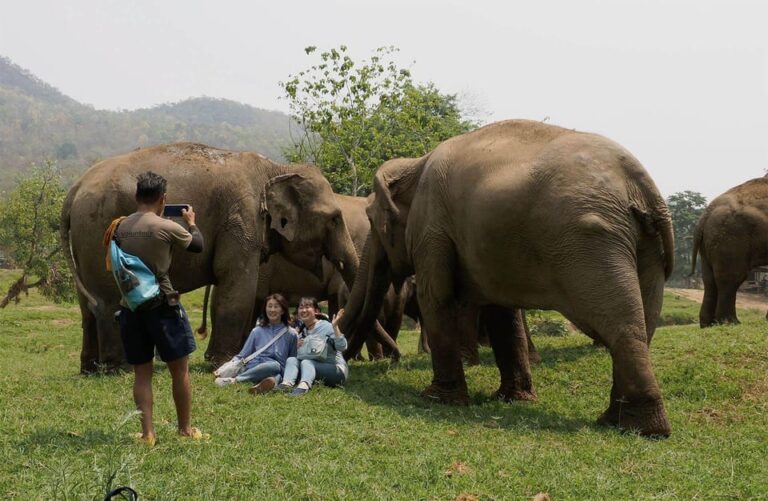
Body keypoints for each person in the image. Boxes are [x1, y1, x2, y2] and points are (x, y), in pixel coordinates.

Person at [113, 171, 204, 446]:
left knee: (142, 372)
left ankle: (147, 434)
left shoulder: (120, 227)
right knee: (180, 370)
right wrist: (191, 224)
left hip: (130, 307)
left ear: (137, 196)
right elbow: (198, 246)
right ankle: (185, 429)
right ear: (163, 199)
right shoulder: (165, 227)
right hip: (163, 305)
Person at [214, 293, 298, 394]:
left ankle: (260, 386)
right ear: (265, 309)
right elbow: (243, 355)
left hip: (279, 370)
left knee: (277, 374)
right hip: (256, 366)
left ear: (283, 310)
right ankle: (236, 380)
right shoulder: (257, 331)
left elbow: (292, 358)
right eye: (269, 306)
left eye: (276, 307)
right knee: (274, 366)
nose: (272, 310)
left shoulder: (291, 334)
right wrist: (224, 367)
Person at [278, 297, 349, 396]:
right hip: (314, 369)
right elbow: (301, 356)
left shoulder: (326, 326)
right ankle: (286, 384)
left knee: (307, 362)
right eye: (301, 307)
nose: (303, 310)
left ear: (316, 311)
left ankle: (304, 387)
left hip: (336, 371)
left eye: (307, 307)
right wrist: (297, 347)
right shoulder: (302, 331)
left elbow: (342, 347)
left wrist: (335, 327)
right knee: (292, 360)